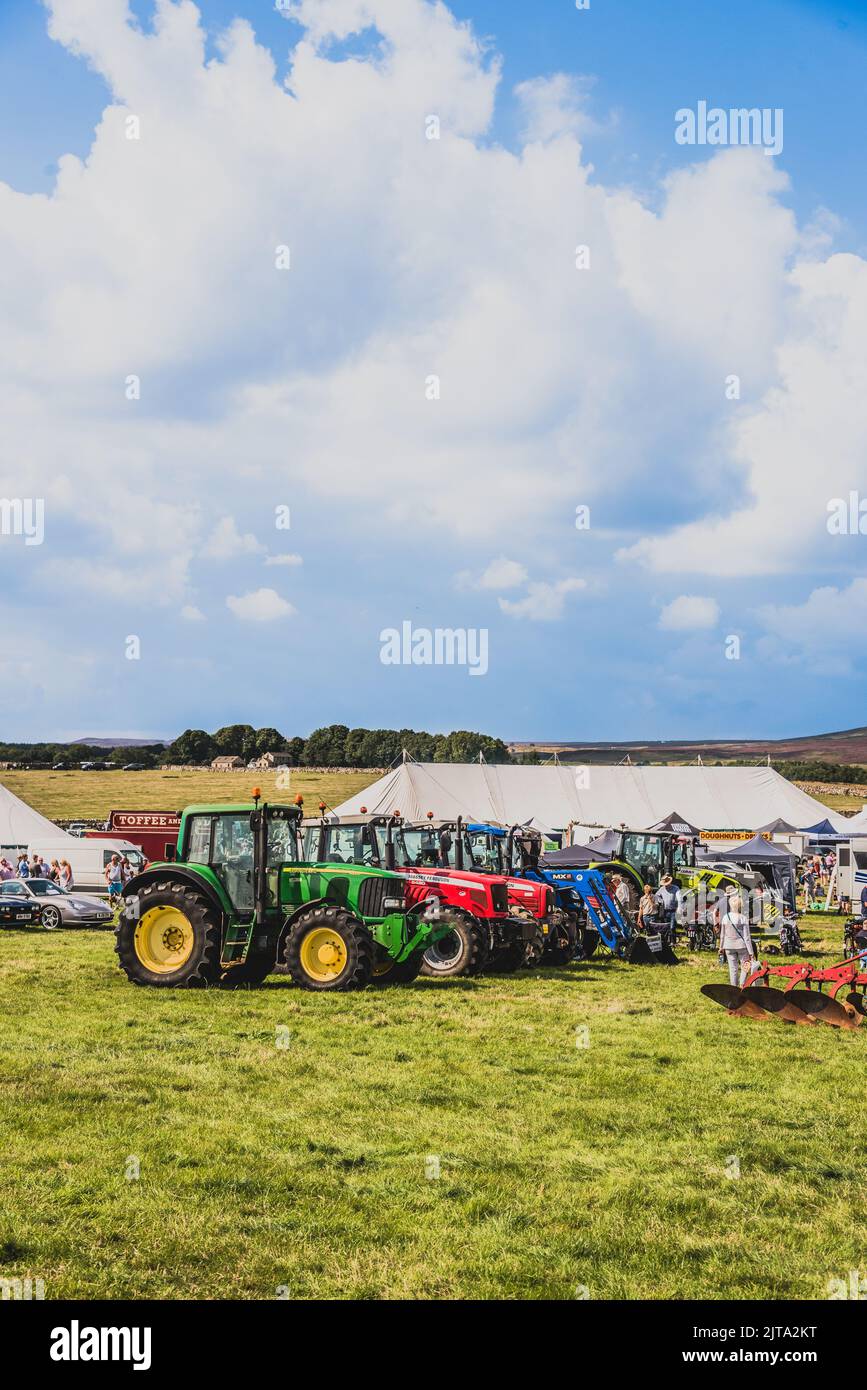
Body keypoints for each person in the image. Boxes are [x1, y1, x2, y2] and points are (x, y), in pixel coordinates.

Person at [719, 894, 756, 988]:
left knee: (733, 969)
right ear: (740, 906)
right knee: (745, 966)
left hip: (728, 946)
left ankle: (733, 987)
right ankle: (742, 984)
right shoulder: (743, 918)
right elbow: (747, 937)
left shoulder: (725, 917)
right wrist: (751, 952)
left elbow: (722, 935)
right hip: (741, 946)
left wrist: (721, 947)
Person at [655, 874, 680, 942]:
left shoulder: (676, 888)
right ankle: (667, 941)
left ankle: (673, 941)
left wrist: (679, 907)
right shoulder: (662, 889)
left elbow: (679, 898)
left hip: (673, 911)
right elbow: (656, 895)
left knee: (672, 927)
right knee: (666, 927)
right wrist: (661, 901)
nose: (665, 885)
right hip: (665, 911)